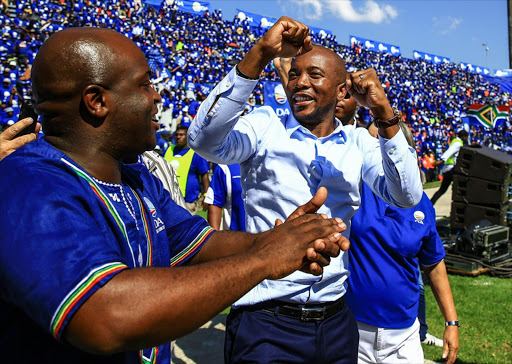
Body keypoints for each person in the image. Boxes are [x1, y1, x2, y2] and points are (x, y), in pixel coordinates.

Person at [0, 27, 350, 363]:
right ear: (97, 101)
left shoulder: (135, 180)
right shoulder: (29, 184)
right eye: (144, 84)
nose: (157, 97)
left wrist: (281, 240)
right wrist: (264, 259)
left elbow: (199, 244)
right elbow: (106, 317)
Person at [189, 17, 422, 363]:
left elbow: (406, 195)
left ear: (342, 91)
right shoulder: (266, 125)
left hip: (337, 322)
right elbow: (203, 140)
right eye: (295, 74)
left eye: (314, 75)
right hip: (266, 320)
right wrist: (261, 53)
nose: (300, 83)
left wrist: (383, 110)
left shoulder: (359, 143)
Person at [346, 121, 459, 364]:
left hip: (404, 337)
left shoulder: (420, 203)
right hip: (352, 331)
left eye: (380, 145)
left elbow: (434, 262)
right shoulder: (352, 192)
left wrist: (451, 322)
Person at [164, 125, 210, 214]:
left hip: (188, 200)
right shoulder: (168, 150)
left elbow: (204, 175)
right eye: (176, 135)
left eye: (182, 135)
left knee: (187, 226)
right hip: (169, 198)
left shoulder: (195, 153)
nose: (178, 137)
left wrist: (206, 195)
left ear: (188, 136)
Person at [430, 129, 469, 205]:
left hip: (448, 170)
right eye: (466, 137)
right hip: (452, 169)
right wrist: (440, 161)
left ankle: (429, 205)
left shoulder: (455, 141)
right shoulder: (458, 143)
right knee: (462, 186)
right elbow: (450, 151)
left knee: (442, 190)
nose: (466, 139)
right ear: (464, 137)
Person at [205, 163, 245, 231]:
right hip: (236, 237)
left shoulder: (268, 165)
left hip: (267, 237)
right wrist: (215, 238)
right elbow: (215, 203)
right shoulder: (225, 167)